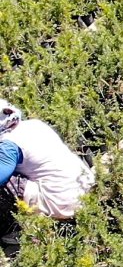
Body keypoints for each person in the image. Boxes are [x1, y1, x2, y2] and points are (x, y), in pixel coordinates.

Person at [0, 99, 95, 255]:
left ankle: (13, 236)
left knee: (6, 184)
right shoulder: (35, 125)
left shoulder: (9, 146)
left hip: (61, 202)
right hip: (85, 190)